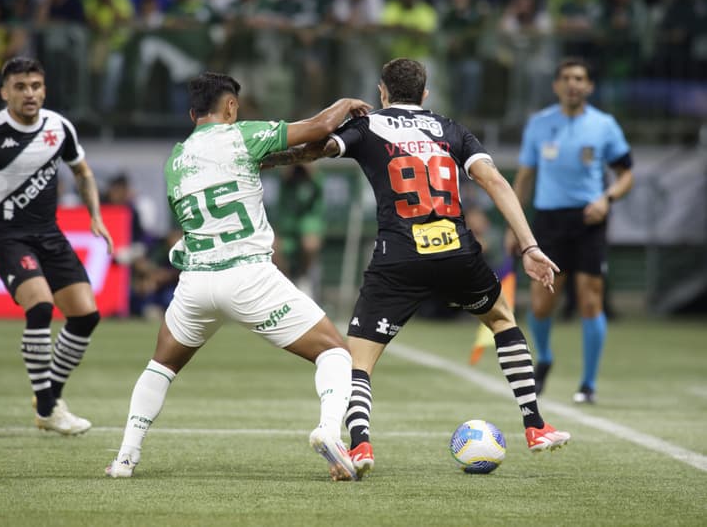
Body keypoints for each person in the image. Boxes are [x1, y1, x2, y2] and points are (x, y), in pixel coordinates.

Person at [262, 57, 571, 478]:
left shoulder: (368, 126)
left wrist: (269, 160)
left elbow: (316, 149)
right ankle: (536, 426)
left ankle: (361, 444)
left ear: (382, 92)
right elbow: (496, 181)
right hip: (457, 253)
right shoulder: (451, 129)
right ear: (425, 94)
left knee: (358, 360)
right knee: (502, 320)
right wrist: (530, 247)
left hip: (399, 257)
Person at [104, 72, 372, 481]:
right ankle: (329, 431)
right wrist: (346, 102)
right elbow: (319, 127)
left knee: (161, 366)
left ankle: (125, 457)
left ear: (193, 113)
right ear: (230, 106)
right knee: (335, 352)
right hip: (248, 277)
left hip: (195, 284)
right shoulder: (242, 135)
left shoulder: (175, 160)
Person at [0, 57, 114, 435]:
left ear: (44, 89)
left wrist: (95, 216)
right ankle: (49, 408)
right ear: (4, 93)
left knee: (86, 315)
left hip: (49, 234)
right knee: (42, 307)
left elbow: (82, 171)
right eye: (20, 86)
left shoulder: (59, 126)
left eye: (35, 86)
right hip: (8, 237)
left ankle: (48, 400)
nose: (29, 93)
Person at [506, 57, 634, 404]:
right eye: (566, 78)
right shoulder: (539, 124)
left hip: (589, 221)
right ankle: (544, 357)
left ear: (589, 86)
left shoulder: (604, 125)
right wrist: (515, 228)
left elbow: (626, 175)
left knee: (590, 301)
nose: (573, 84)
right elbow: (524, 178)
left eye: (580, 78)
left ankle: (588, 384)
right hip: (548, 220)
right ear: (556, 85)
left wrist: (607, 199)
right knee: (541, 303)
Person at [272, 163, 325, 298]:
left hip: (306, 227)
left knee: (310, 243)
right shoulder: (285, 183)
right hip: (288, 229)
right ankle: (287, 283)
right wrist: (291, 161)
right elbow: (284, 174)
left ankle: (304, 277)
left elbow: (314, 173)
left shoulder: (314, 181)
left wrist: (304, 160)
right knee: (272, 247)